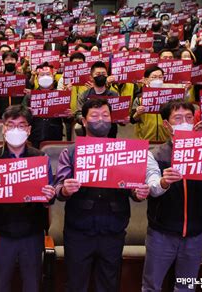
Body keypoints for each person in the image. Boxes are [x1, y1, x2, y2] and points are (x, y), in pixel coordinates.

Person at [54, 98, 150, 292]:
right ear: (84, 120)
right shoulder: (71, 152)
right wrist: (65, 189)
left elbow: (133, 190)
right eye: (95, 115)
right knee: (75, 284)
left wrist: (139, 192)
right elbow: (58, 190)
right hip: (79, 231)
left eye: (105, 115)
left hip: (113, 229)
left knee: (109, 284)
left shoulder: (125, 152)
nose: (101, 119)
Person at [142, 99, 202, 291]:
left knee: (186, 287)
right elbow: (151, 188)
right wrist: (164, 181)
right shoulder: (155, 155)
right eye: (178, 118)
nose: (184, 122)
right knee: (152, 286)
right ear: (167, 125)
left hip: (195, 233)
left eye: (188, 118)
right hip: (161, 233)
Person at [0, 105, 55, 292]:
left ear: (28, 130)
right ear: (3, 129)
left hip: (32, 233)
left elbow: (48, 200)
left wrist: (49, 196)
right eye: (10, 125)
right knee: (0, 284)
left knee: (32, 284)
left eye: (21, 126)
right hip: (2, 233)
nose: (15, 130)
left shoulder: (40, 158)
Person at [22, 63, 70, 148]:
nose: (45, 77)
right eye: (42, 75)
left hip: (55, 136)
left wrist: (69, 115)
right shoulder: (30, 96)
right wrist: (27, 112)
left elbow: (67, 119)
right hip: (35, 136)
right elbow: (22, 115)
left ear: (53, 76)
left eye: (48, 74)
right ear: (37, 78)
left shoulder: (60, 95)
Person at [74, 61, 120, 138]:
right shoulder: (84, 95)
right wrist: (86, 118)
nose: (101, 76)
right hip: (90, 132)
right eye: (98, 74)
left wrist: (124, 119)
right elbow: (78, 113)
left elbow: (119, 115)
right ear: (91, 78)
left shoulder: (114, 94)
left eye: (103, 74)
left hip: (110, 133)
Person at [131, 66, 171, 142]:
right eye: (154, 77)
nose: (158, 80)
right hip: (145, 140)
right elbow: (132, 120)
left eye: (160, 77)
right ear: (146, 79)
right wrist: (137, 113)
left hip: (166, 140)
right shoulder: (139, 97)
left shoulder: (170, 97)